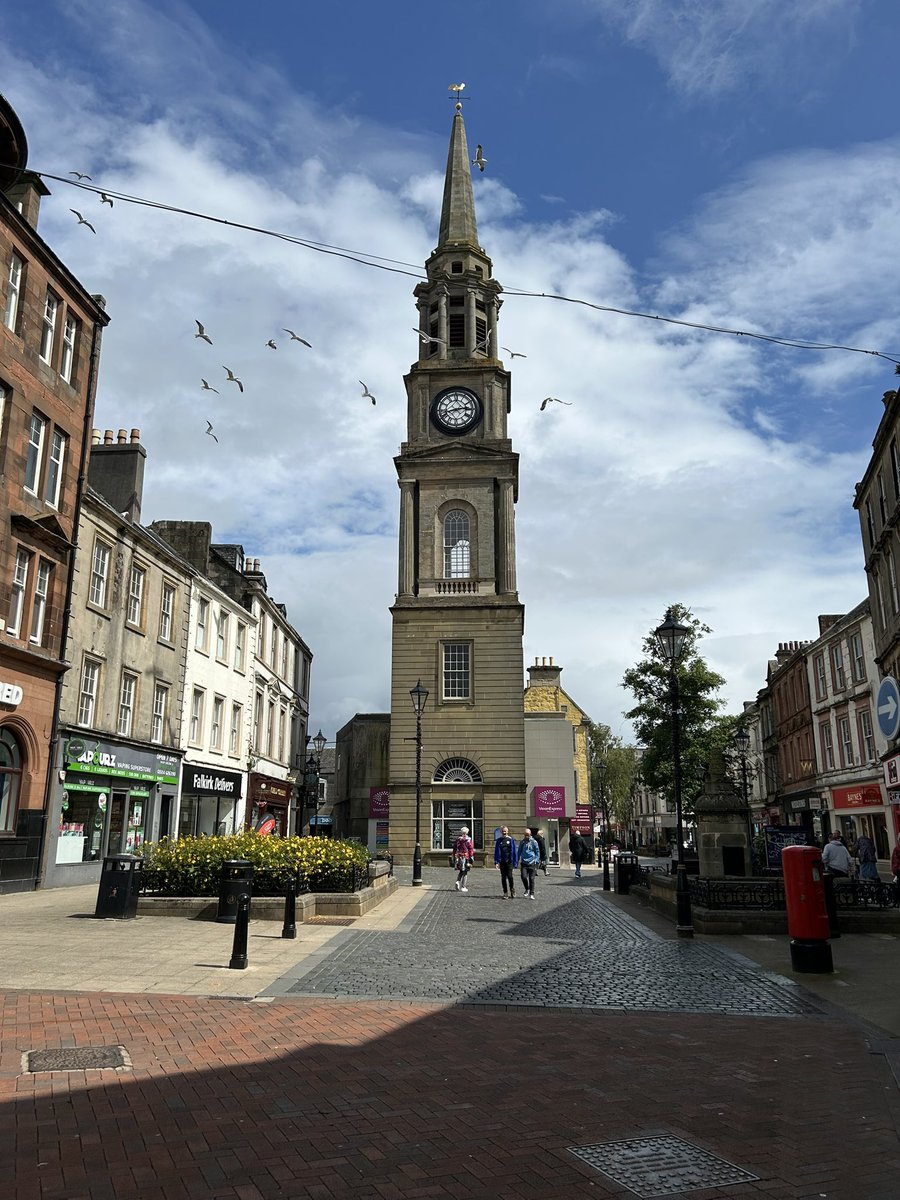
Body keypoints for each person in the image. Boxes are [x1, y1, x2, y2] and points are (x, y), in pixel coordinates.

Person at [494, 825, 518, 898]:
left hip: (509, 861)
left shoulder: (511, 840)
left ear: (507, 832)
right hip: (502, 862)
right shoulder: (499, 840)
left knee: (510, 877)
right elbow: (496, 851)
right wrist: (496, 862)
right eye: (503, 831)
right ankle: (505, 892)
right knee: (503, 877)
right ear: (501, 832)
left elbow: (514, 852)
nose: (504, 832)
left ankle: (512, 890)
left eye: (505, 831)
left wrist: (515, 862)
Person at [519, 827, 541, 898]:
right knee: (524, 877)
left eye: (527, 834)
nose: (526, 836)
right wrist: (516, 860)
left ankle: (532, 893)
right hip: (524, 863)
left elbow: (537, 851)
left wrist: (536, 860)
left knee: (532, 879)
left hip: (532, 863)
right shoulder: (522, 842)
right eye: (525, 834)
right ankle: (527, 888)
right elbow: (519, 851)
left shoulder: (534, 842)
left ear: (530, 834)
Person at [453, 825, 474, 893]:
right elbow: (470, 849)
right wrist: (471, 856)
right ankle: (463, 887)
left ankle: (458, 881)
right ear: (467, 832)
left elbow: (454, 848)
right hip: (466, 857)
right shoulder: (468, 840)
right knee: (465, 872)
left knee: (461, 871)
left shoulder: (458, 840)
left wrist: (454, 855)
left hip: (459, 857)